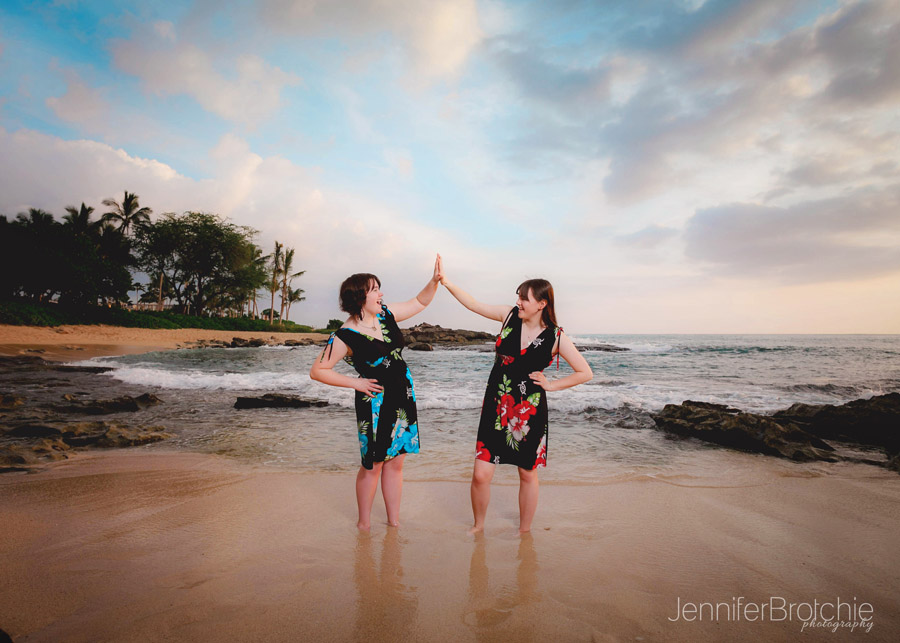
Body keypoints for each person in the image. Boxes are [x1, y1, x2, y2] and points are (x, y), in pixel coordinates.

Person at [441, 274, 592, 533]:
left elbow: (585, 372)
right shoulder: (508, 316)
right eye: (518, 297)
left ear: (542, 304)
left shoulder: (555, 337)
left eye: (524, 298)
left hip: (528, 411)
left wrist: (551, 385)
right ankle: (478, 526)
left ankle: (524, 530)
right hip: (496, 404)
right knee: (480, 474)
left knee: (527, 473)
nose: (518, 302)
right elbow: (474, 304)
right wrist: (447, 283)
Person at [310, 255, 442, 530]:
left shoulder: (385, 315)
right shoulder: (345, 335)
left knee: (396, 463)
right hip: (375, 402)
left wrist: (434, 281)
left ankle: (394, 521)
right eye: (375, 290)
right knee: (374, 464)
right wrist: (356, 383)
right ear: (360, 297)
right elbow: (318, 370)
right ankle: (364, 524)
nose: (381, 294)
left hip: (403, 396)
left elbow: (420, 302)